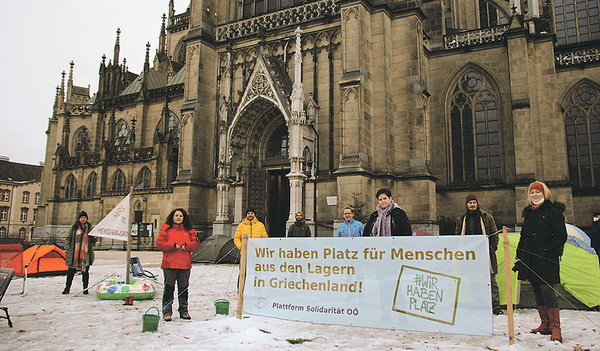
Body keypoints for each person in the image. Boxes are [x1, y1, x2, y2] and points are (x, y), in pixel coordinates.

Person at [512, 181, 567, 342]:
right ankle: (545, 324)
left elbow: (560, 235)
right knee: (537, 288)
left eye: (538, 192)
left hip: (547, 258)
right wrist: (520, 254)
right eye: (532, 192)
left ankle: (556, 327)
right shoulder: (528, 212)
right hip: (531, 257)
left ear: (545, 193)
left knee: (547, 290)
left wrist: (548, 250)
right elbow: (524, 236)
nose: (534, 194)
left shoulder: (553, 211)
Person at [455, 194, 501, 315]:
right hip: (470, 254)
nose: (472, 205)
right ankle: (479, 303)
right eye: (470, 203)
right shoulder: (462, 218)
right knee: (473, 280)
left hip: (485, 252)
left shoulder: (486, 217)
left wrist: (492, 247)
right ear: (466, 205)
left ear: (477, 203)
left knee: (491, 280)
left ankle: (495, 305)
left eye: (474, 202)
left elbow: (494, 233)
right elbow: (458, 234)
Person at [156, 208, 200, 322]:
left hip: (184, 264)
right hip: (169, 264)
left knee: (183, 289)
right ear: (172, 217)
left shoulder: (190, 231)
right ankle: (167, 312)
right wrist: (172, 245)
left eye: (181, 216)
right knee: (169, 289)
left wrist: (187, 246)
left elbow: (196, 244)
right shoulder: (166, 230)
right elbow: (159, 244)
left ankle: (184, 311)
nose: (178, 217)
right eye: (176, 215)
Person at [62, 211, 96, 295]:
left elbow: (93, 241)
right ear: (79, 219)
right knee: (71, 271)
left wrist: (95, 238)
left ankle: (85, 288)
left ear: (87, 219)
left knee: (85, 272)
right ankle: (67, 288)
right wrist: (68, 249)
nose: (83, 219)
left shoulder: (90, 228)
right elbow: (68, 238)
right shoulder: (74, 228)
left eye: (84, 218)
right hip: (75, 252)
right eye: (81, 218)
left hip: (85, 252)